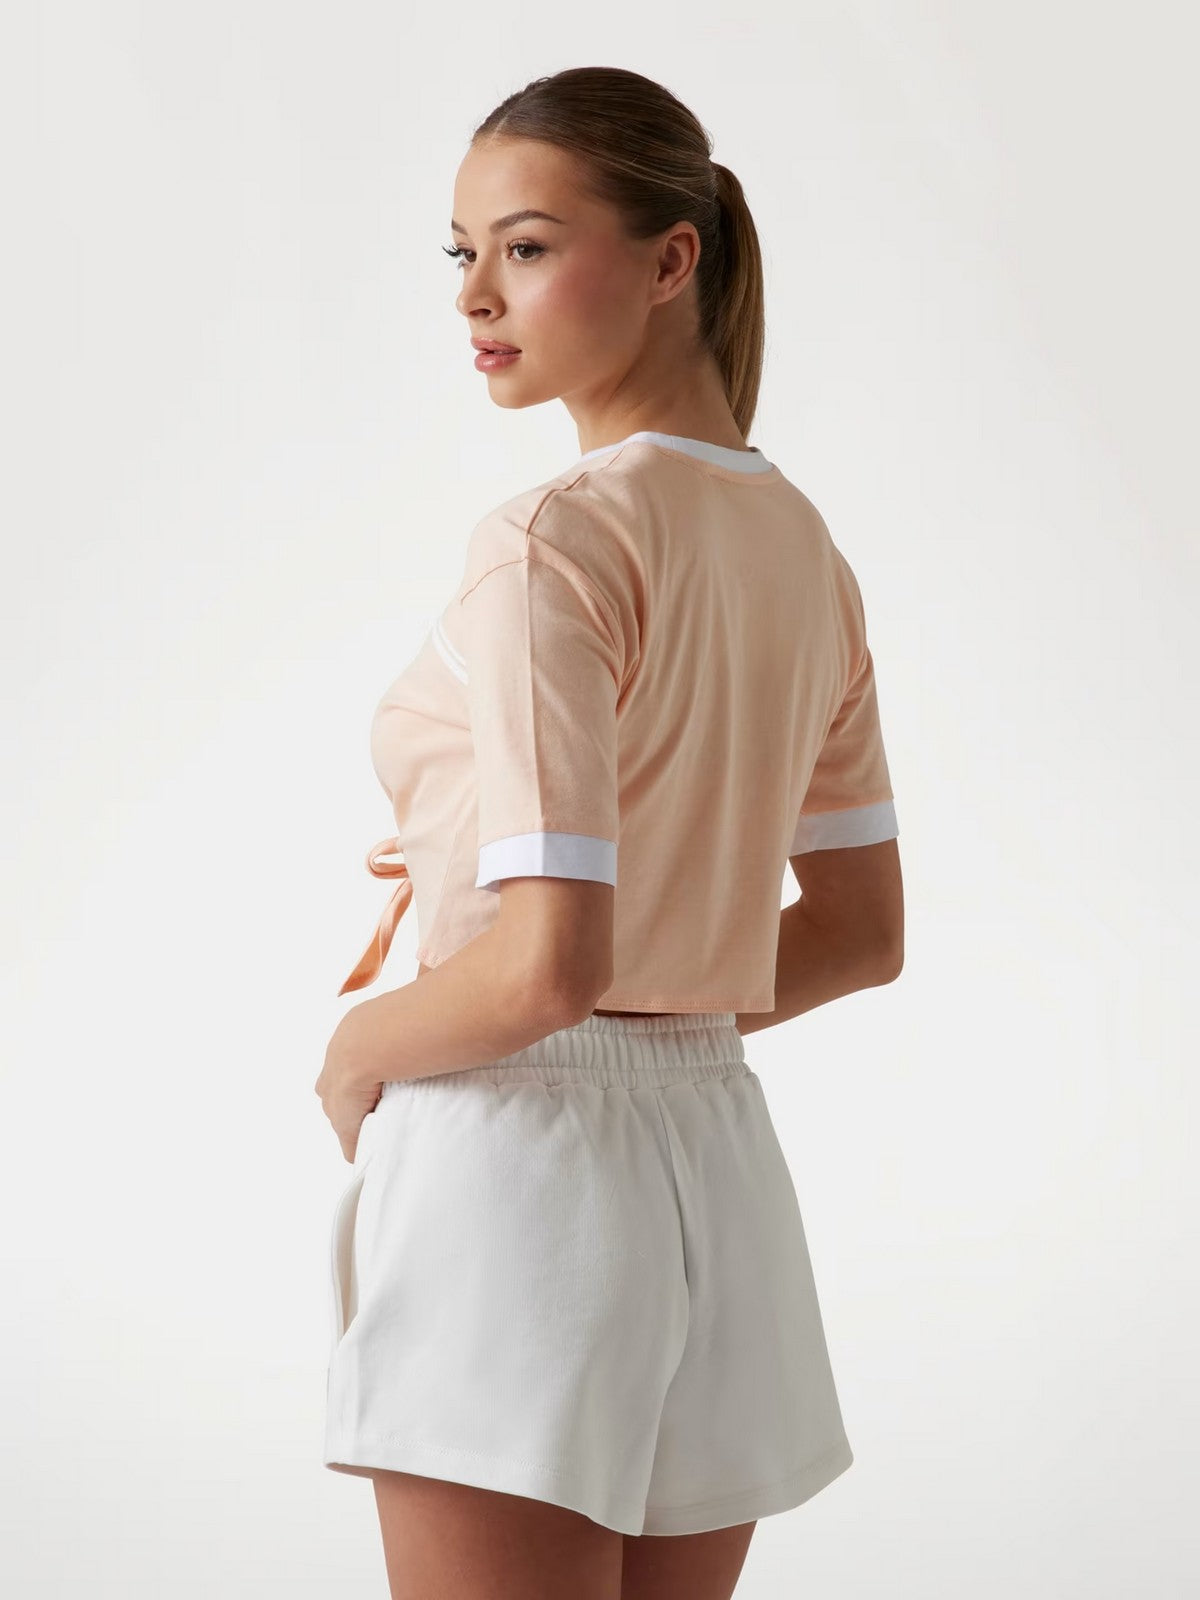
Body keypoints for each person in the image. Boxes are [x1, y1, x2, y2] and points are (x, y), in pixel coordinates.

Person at [314, 65, 904, 1600]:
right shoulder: (806, 551)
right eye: (464, 253)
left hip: (519, 1178)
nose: (474, 296)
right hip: (716, 1163)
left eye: (523, 247)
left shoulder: (550, 541)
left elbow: (546, 969)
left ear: (670, 259)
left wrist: (364, 1048)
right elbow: (860, 934)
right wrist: (667, 1006)